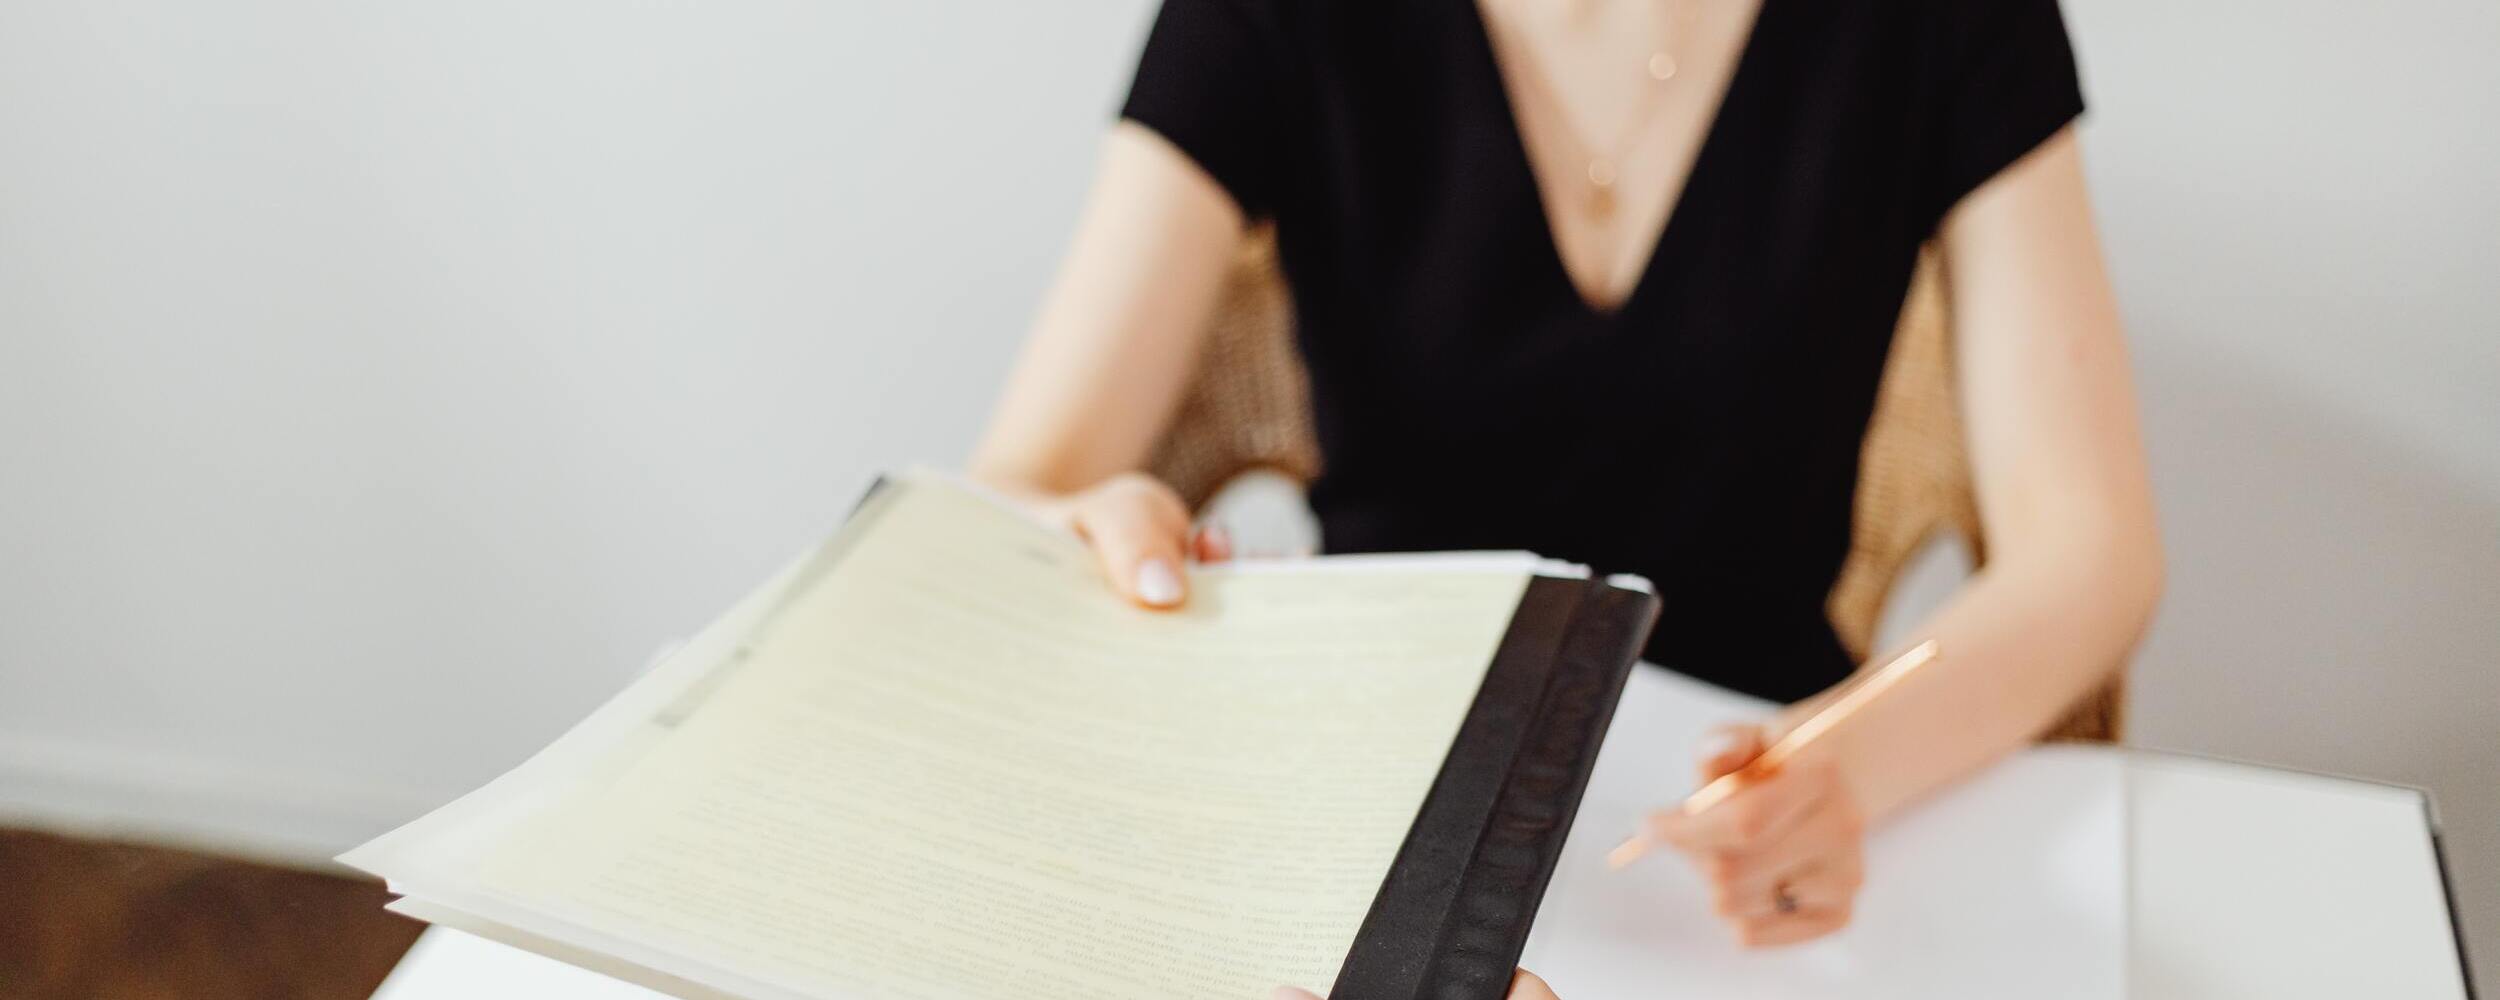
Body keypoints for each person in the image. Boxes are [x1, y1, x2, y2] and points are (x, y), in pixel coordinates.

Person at [971, 0, 2162, 949]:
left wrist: (1846, 766)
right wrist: (1089, 529)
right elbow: (1023, 482)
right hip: (1361, 799)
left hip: (1743, 819)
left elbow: (2092, 551)